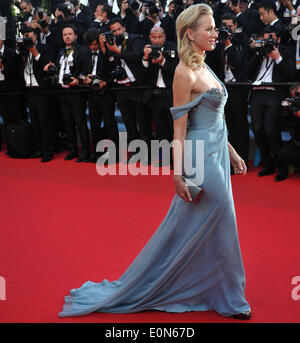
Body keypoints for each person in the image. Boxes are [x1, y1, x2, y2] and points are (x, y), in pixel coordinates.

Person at [59, 4, 252, 320]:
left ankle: (215, 289)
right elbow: (180, 130)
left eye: (215, 27)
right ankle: (230, 298)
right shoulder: (183, 72)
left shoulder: (204, 64)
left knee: (204, 227)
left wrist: (231, 151)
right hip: (199, 157)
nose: (216, 33)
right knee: (223, 223)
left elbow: (214, 119)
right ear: (191, 33)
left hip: (217, 151)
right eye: (210, 28)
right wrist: (177, 175)